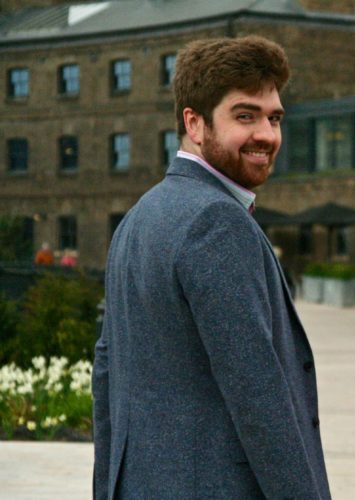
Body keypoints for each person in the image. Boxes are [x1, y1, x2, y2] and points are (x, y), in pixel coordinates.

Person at [93, 35, 331, 499]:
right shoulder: (216, 222)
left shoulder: (138, 219)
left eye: (274, 118)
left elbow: (106, 378)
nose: (267, 134)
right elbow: (258, 397)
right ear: (194, 123)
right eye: (245, 116)